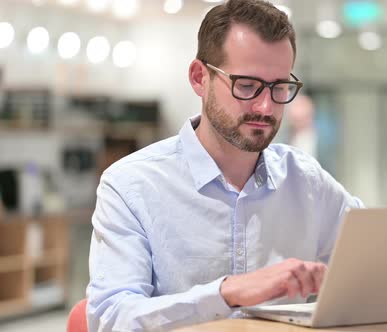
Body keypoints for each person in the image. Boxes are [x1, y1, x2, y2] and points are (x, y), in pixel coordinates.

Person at [86, 0, 363, 331]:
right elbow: (112, 318)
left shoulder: (306, 181)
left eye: (279, 88)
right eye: (247, 86)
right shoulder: (131, 184)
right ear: (199, 78)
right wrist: (228, 292)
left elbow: (378, 263)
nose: (265, 106)